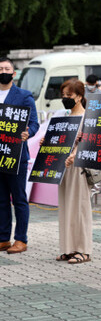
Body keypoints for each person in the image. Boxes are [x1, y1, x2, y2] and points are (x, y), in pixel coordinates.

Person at [0, 56, 39, 254]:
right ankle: (3, 237)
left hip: (16, 156)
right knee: (1, 199)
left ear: (14, 73)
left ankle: (21, 239)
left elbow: (34, 123)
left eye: (7, 68)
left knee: (19, 199)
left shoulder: (24, 95)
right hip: (0, 155)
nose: (3, 71)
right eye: (0, 68)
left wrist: (28, 133)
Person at [57, 79, 93, 264]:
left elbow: (91, 143)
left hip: (79, 167)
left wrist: (76, 153)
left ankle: (83, 249)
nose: (65, 99)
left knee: (79, 207)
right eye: (63, 95)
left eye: (69, 95)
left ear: (79, 97)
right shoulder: (63, 117)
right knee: (65, 206)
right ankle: (68, 248)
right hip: (62, 167)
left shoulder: (88, 117)